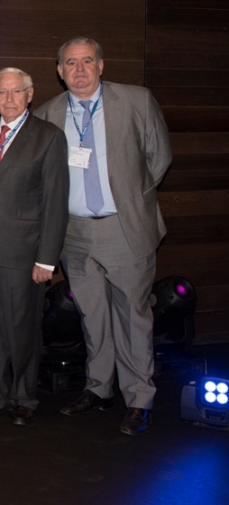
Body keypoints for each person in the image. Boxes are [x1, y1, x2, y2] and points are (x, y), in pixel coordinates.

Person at [34, 37, 172, 436]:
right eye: (70, 63)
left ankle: (139, 399)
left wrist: (130, 198)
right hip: (74, 232)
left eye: (87, 61)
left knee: (133, 315)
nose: (79, 69)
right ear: (59, 71)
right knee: (91, 314)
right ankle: (98, 389)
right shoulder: (48, 113)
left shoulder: (136, 101)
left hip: (122, 226)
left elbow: (159, 158)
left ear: (101, 65)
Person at [0, 68, 69, 426]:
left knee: (21, 328)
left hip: (22, 252)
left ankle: (25, 396)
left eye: (15, 92)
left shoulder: (48, 137)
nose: (8, 99)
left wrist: (47, 258)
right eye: (1, 93)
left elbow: (56, 202)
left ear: (29, 95)